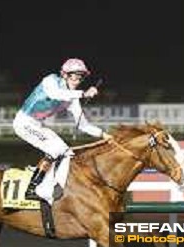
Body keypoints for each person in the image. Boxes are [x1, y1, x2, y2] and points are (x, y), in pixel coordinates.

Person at [13, 57, 112, 199]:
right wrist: (83, 93)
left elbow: (83, 125)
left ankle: (54, 185)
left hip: (38, 125)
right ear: (65, 75)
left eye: (81, 78)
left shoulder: (73, 99)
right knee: (55, 150)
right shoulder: (51, 80)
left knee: (67, 153)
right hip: (23, 123)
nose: (78, 82)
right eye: (75, 77)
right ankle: (31, 189)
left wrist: (104, 135)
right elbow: (56, 94)